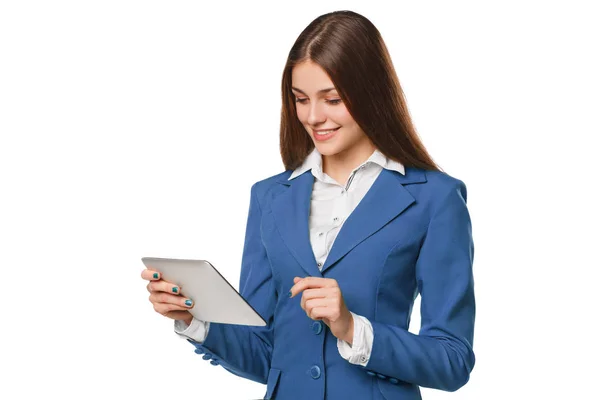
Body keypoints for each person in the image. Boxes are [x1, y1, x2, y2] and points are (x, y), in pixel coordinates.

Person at [141, 9, 475, 400]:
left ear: (371, 93)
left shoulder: (434, 197)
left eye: (332, 99)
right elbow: (267, 353)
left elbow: (452, 360)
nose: (314, 117)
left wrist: (352, 328)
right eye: (301, 100)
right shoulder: (269, 197)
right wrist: (194, 319)